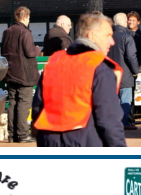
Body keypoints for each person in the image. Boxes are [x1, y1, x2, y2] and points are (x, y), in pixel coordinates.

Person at [32, 12, 127, 147]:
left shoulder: (54, 63)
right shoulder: (99, 67)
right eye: (108, 35)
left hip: (49, 139)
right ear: (92, 35)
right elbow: (108, 119)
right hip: (84, 140)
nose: (112, 41)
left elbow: (38, 107)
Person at [1, 6, 41, 143]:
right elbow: (30, 52)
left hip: (10, 72)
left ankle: (12, 135)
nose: (29, 20)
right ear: (25, 17)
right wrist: (37, 49)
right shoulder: (25, 32)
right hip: (24, 73)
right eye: (29, 17)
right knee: (24, 103)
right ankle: (22, 134)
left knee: (12, 102)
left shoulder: (7, 32)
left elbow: (3, 51)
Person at [107, 13, 139, 130]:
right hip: (125, 74)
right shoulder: (127, 37)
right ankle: (124, 122)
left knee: (113, 101)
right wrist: (135, 70)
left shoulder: (108, 37)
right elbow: (131, 56)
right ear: (125, 22)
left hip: (110, 73)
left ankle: (113, 122)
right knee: (126, 100)